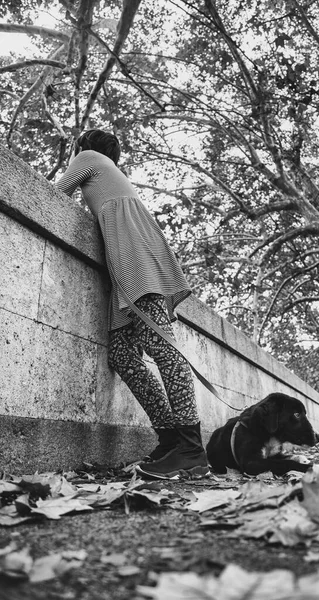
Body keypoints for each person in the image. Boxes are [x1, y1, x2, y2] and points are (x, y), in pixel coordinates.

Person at [55, 128, 209, 480]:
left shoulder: (88, 159)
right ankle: (171, 438)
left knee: (161, 345)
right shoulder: (111, 173)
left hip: (134, 255)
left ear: (82, 146)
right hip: (123, 260)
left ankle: (190, 446)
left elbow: (56, 194)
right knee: (122, 355)